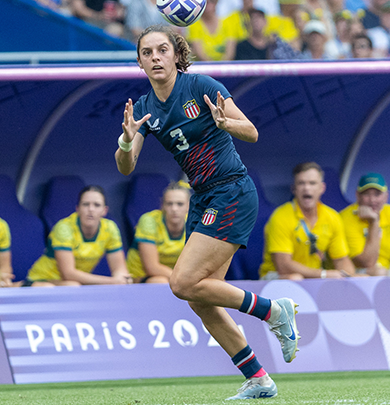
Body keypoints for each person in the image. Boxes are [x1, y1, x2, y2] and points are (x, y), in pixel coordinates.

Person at [116, 25, 299, 400]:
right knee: (200, 298)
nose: (155, 57)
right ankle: (258, 379)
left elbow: (251, 131)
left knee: (181, 283)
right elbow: (125, 166)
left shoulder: (201, 86)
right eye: (147, 52)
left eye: (162, 50)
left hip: (231, 189)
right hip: (201, 198)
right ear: (139, 61)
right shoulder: (145, 108)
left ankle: (273, 311)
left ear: (175, 55)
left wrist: (224, 122)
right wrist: (125, 140)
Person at [259, 162, 356, 280]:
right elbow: (283, 266)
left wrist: (350, 277)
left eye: (312, 183)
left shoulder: (332, 217)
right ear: (294, 189)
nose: (307, 188)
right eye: (301, 183)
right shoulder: (280, 217)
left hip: (312, 278)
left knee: (360, 277)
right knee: (295, 278)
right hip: (276, 277)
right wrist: (323, 274)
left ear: (322, 188)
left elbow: (341, 259)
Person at [25, 186, 132, 286]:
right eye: (85, 204)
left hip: (77, 284)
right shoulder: (64, 228)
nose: (91, 209)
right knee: (72, 286)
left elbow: (120, 269)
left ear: (104, 211)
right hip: (44, 279)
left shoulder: (110, 228)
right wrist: (111, 281)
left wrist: (122, 278)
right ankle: (20, 285)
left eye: (97, 205)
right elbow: (68, 274)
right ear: (77, 209)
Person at [126, 181, 191, 283]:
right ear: (162, 205)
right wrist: (184, 280)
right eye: (169, 204)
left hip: (176, 277)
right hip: (141, 276)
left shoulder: (193, 223)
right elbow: (152, 267)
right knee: (161, 282)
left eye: (180, 204)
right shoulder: (148, 221)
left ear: (188, 205)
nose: (174, 209)